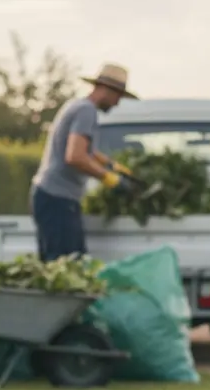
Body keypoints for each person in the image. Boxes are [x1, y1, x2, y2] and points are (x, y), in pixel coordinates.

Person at [29, 63, 141, 261]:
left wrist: (111, 165)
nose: (117, 104)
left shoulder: (78, 106)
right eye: (117, 97)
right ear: (106, 89)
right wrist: (109, 179)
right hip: (57, 199)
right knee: (65, 265)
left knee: (72, 262)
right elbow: (75, 156)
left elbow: (85, 148)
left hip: (52, 196)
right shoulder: (86, 111)